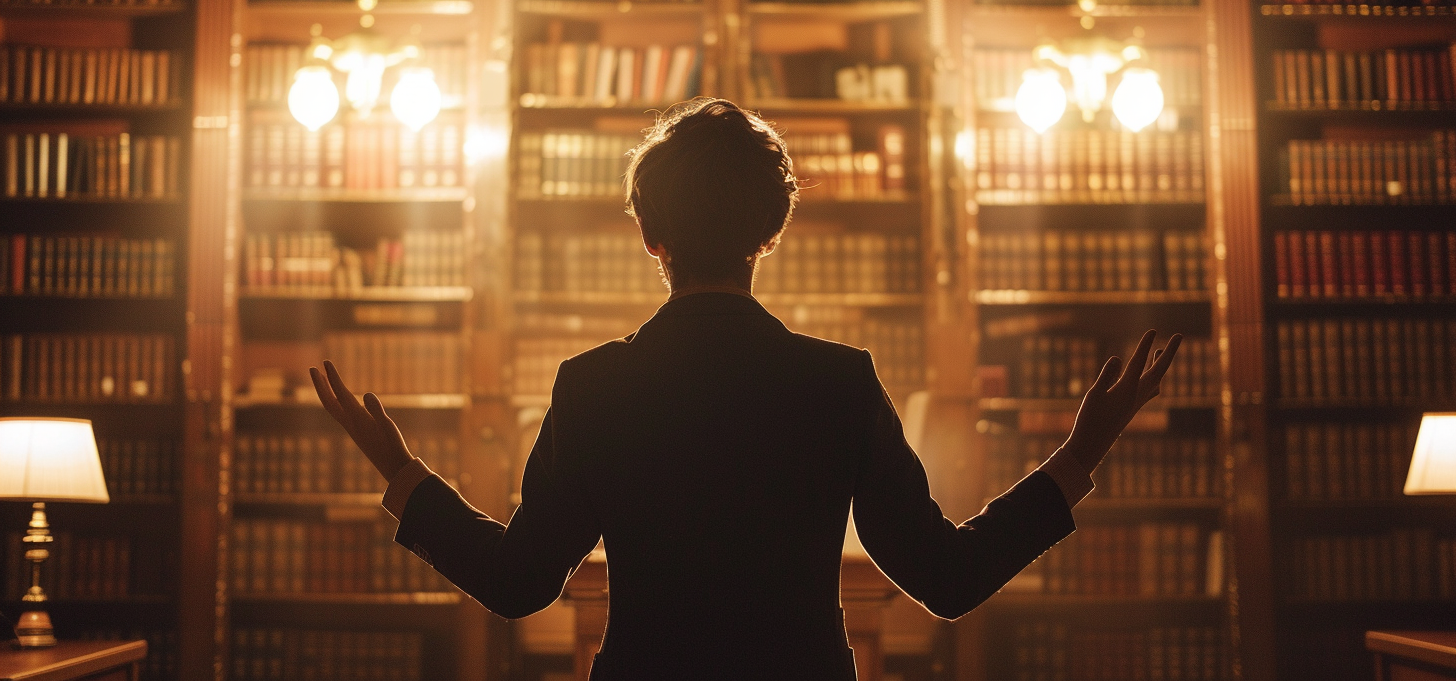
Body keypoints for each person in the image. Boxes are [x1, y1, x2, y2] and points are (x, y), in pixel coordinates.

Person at [311, 98, 1181, 681]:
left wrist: (404, 475)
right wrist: (1079, 455)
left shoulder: (596, 388)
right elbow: (947, 579)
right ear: (772, 231)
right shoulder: (838, 384)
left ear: (650, 235)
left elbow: (518, 582)